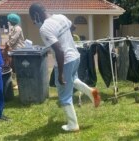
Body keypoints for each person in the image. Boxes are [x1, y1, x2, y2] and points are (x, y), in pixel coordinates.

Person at [29, 3, 101, 132]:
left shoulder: (44, 28)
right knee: (73, 80)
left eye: (33, 20)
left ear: (36, 15)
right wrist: (66, 38)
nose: (34, 23)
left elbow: (59, 51)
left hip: (65, 61)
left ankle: (73, 125)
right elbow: (73, 26)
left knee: (64, 95)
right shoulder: (60, 17)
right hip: (75, 56)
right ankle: (91, 92)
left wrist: (60, 73)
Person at [4, 13, 25, 89]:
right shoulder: (13, 28)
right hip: (15, 50)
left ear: (13, 20)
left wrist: (6, 46)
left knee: (18, 67)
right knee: (13, 66)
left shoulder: (17, 28)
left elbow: (13, 40)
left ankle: (20, 83)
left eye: (9, 20)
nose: (8, 21)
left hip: (19, 50)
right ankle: (17, 82)